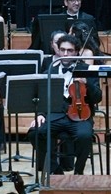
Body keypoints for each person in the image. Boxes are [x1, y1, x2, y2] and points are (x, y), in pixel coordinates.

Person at [27, 34, 100, 175]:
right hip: (55, 115)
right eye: (62, 50)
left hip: (80, 115)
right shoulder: (49, 71)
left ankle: (78, 172)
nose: (65, 54)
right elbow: (42, 97)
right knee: (35, 132)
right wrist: (40, 114)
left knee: (85, 136)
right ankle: (56, 170)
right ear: (58, 50)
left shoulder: (87, 70)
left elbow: (98, 98)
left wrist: (87, 84)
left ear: (76, 52)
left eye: (70, 50)